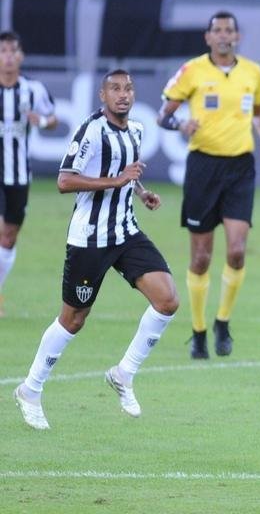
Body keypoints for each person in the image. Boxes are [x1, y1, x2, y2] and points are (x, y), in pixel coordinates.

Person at [13, 69, 177, 430]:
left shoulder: (136, 130)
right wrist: (116, 180)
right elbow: (64, 179)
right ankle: (30, 388)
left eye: (129, 88)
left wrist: (139, 191)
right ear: (102, 96)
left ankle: (123, 373)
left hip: (126, 232)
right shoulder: (91, 131)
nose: (123, 94)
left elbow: (125, 174)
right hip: (89, 238)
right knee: (73, 320)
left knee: (167, 300)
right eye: (115, 89)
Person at [157, 11, 260, 359]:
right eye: (217, 30)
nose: (224, 35)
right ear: (207, 38)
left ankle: (222, 321)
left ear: (237, 36)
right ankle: (198, 330)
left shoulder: (252, 72)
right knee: (201, 257)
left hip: (240, 168)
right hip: (203, 167)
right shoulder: (192, 70)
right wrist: (180, 124)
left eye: (229, 30)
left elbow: (258, 110)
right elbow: (163, 115)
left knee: (237, 250)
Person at [0, 31, 59, 316]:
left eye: (13, 51)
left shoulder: (32, 90)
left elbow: (54, 119)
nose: (8, 56)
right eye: (3, 51)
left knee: (9, 236)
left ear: (20, 56)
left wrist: (43, 120)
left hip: (18, 174)